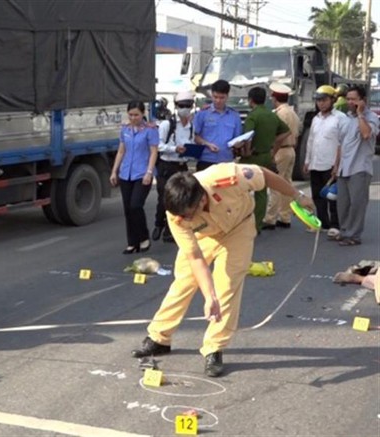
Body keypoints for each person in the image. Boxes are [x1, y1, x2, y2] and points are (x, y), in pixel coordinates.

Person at [130, 162, 315, 377]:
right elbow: (195, 257)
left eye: (190, 214)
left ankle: (214, 348)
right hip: (204, 237)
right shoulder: (177, 215)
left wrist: (297, 195)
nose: (185, 220)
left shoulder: (228, 177)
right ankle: (159, 337)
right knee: (183, 283)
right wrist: (209, 297)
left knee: (226, 286)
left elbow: (264, 175)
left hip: (238, 230)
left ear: (202, 198)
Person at [238, 86, 290, 232]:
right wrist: (273, 145)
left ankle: (243, 223)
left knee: (242, 189)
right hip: (267, 155)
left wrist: (246, 151)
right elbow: (286, 132)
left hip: (251, 158)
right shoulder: (272, 115)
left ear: (250, 100)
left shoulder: (253, 116)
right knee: (261, 191)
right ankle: (257, 225)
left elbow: (248, 136)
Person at [110, 101, 159, 254]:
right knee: (127, 209)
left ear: (143, 114)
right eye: (130, 115)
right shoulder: (125, 129)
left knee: (136, 205)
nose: (133, 118)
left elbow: (153, 152)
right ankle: (132, 242)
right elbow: (121, 151)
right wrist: (114, 171)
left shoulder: (150, 130)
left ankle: (144, 237)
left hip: (142, 173)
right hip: (126, 173)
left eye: (136, 114)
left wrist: (149, 172)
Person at [334, 85, 379, 246]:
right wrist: (336, 165)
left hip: (360, 167)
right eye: (348, 99)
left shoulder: (371, 117)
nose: (350, 102)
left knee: (357, 204)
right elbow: (341, 144)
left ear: (363, 101)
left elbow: (366, 134)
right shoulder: (345, 119)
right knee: (343, 204)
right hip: (343, 168)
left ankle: (354, 235)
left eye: (354, 99)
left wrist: (360, 115)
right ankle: (345, 231)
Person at [153, 90, 195, 243]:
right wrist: (174, 149)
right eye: (182, 105)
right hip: (166, 165)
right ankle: (159, 223)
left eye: (188, 105)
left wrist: (191, 152)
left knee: (178, 199)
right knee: (164, 197)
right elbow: (158, 145)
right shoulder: (167, 124)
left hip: (181, 165)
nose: (185, 108)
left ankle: (169, 230)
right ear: (176, 106)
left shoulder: (191, 126)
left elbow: (191, 144)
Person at [305, 85, 344, 238]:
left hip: (331, 164)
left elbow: (342, 143)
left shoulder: (340, 118)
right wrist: (307, 160)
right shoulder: (316, 119)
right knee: (317, 196)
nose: (321, 103)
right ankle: (322, 223)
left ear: (332, 100)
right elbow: (311, 141)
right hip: (316, 163)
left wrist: (338, 164)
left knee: (332, 197)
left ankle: (335, 224)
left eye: (324, 100)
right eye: (318, 100)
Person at [262, 83, 301, 230]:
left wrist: (272, 154)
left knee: (275, 184)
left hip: (281, 150)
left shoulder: (279, 114)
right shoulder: (292, 113)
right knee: (287, 183)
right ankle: (285, 216)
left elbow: (278, 136)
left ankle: (270, 218)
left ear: (274, 97)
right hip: (291, 149)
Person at [193, 80, 243, 171]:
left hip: (226, 161)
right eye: (215, 97)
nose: (218, 101)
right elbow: (194, 136)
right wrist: (207, 144)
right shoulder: (203, 114)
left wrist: (238, 144)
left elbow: (238, 138)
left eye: (222, 98)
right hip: (206, 160)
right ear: (211, 95)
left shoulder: (234, 116)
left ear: (227, 96)